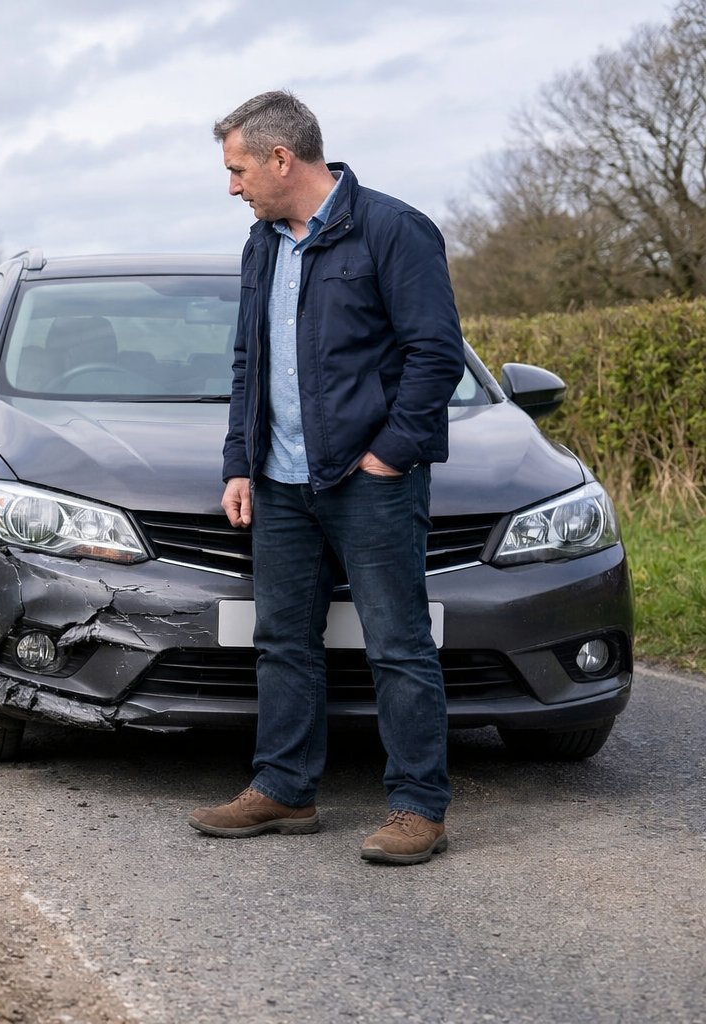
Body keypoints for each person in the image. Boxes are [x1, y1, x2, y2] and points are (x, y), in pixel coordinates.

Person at [187, 90, 466, 865]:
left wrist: (389, 453)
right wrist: (240, 462)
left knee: (398, 644)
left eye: (239, 168)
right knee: (283, 641)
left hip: (369, 481)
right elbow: (251, 361)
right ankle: (284, 790)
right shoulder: (262, 244)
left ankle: (418, 808)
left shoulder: (392, 229)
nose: (233, 185)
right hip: (279, 484)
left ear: (282, 158)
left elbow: (434, 354)